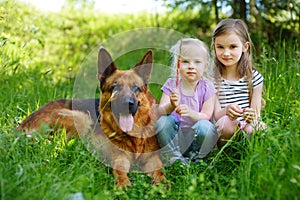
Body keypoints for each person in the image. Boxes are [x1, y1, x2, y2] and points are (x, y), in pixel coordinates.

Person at [156, 38, 218, 165]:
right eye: (185, 61)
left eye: (197, 62)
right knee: (162, 121)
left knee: (206, 127)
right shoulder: (171, 84)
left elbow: (206, 116)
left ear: (205, 66)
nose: (191, 66)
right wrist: (171, 105)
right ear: (178, 64)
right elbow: (160, 111)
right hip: (176, 136)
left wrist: (190, 113)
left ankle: (195, 157)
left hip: (196, 136)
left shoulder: (207, 86)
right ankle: (174, 157)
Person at [211, 18, 266, 148]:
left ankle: (248, 153)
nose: (226, 53)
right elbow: (216, 115)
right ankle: (227, 154)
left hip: (247, 127)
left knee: (257, 127)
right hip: (225, 131)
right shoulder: (211, 80)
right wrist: (227, 110)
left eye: (233, 47)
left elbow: (256, 114)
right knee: (226, 123)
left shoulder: (254, 78)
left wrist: (251, 115)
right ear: (214, 47)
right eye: (220, 47)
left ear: (245, 47)